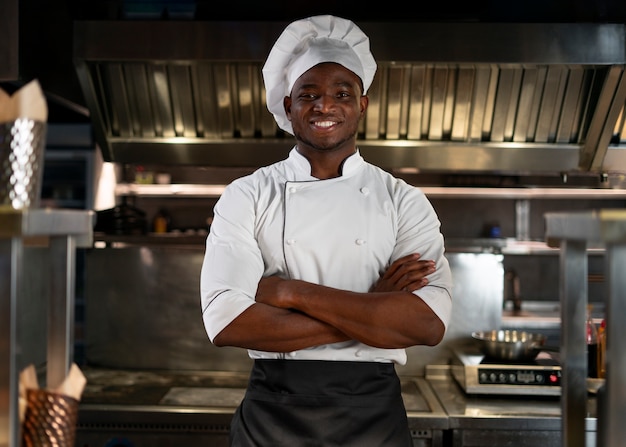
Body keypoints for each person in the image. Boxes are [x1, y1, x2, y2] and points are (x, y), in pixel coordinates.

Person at [200, 14, 452, 446]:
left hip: (373, 416)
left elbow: (427, 325)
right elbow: (228, 324)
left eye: (342, 93)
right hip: (273, 416)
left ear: (362, 104)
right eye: (309, 94)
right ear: (288, 106)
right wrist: (375, 307)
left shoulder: (403, 200)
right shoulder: (248, 195)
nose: (324, 106)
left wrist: (292, 293)